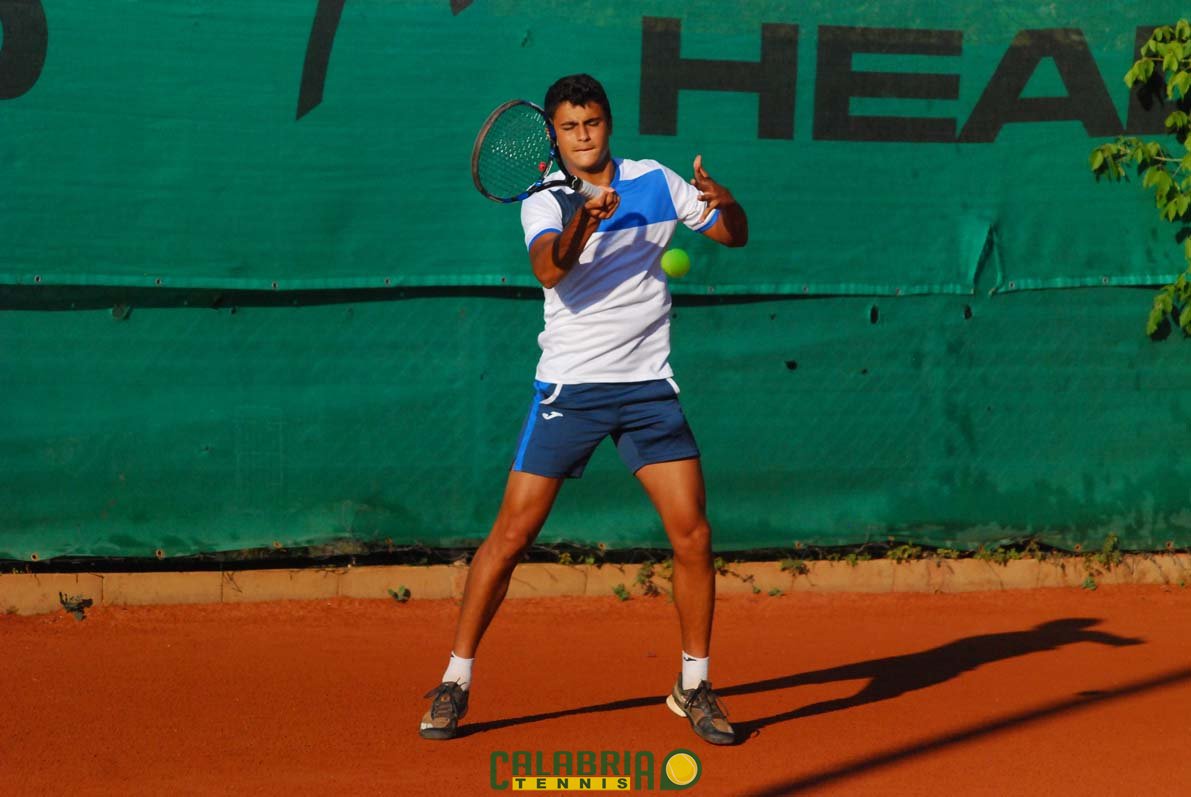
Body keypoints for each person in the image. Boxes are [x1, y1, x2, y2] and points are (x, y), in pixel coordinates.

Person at [420, 74, 748, 745]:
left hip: (647, 388)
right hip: (571, 391)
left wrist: (728, 203)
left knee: (693, 535)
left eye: (591, 122)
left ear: (608, 123)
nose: (582, 136)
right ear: (553, 133)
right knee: (511, 536)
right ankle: (455, 678)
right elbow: (549, 268)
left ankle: (693, 684)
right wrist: (584, 221)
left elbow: (731, 235)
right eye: (569, 127)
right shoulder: (543, 199)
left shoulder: (656, 180)